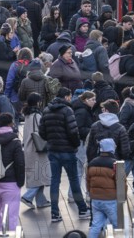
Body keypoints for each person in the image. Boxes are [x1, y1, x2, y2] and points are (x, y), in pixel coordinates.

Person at [38, 87, 90, 222]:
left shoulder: (46, 110)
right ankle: (82, 210)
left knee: (55, 181)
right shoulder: (67, 111)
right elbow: (73, 132)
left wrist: (50, 140)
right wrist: (75, 145)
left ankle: (55, 213)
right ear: (67, 97)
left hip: (53, 150)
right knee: (74, 180)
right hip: (67, 151)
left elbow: (42, 132)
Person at [0, 113, 25, 231]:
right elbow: (20, 163)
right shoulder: (15, 141)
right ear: (11, 124)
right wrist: (20, 182)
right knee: (10, 213)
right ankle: (10, 234)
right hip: (10, 182)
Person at [21, 93, 51, 209]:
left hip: (30, 148)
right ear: (37, 102)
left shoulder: (28, 114)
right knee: (40, 174)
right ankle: (27, 197)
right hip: (37, 149)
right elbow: (39, 131)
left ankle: (41, 200)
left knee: (38, 175)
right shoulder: (36, 115)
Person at [87, 138, 119, 238]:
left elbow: (88, 182)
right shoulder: (115, 164)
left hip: (96, 200)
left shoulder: (92, 163)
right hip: (110, 200)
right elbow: (121, 183)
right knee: (117, 225)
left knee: (96, 225)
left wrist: (91, 194)